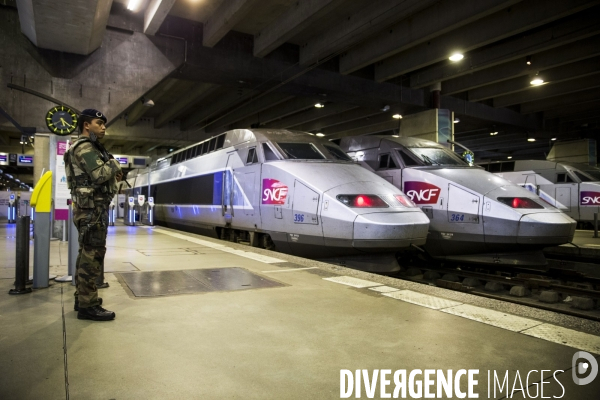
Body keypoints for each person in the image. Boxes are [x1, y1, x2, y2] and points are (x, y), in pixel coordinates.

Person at [64, 109, 122, 321]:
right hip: (92, 211)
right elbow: (98, 175)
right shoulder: (86, 147)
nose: (103, 127)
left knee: (85, 253)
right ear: (86, 125)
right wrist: (115, 163)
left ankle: (82, 299)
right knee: (92, 255)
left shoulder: (82, 147)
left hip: (88, 209)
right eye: (99, 123)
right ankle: (88, 306)